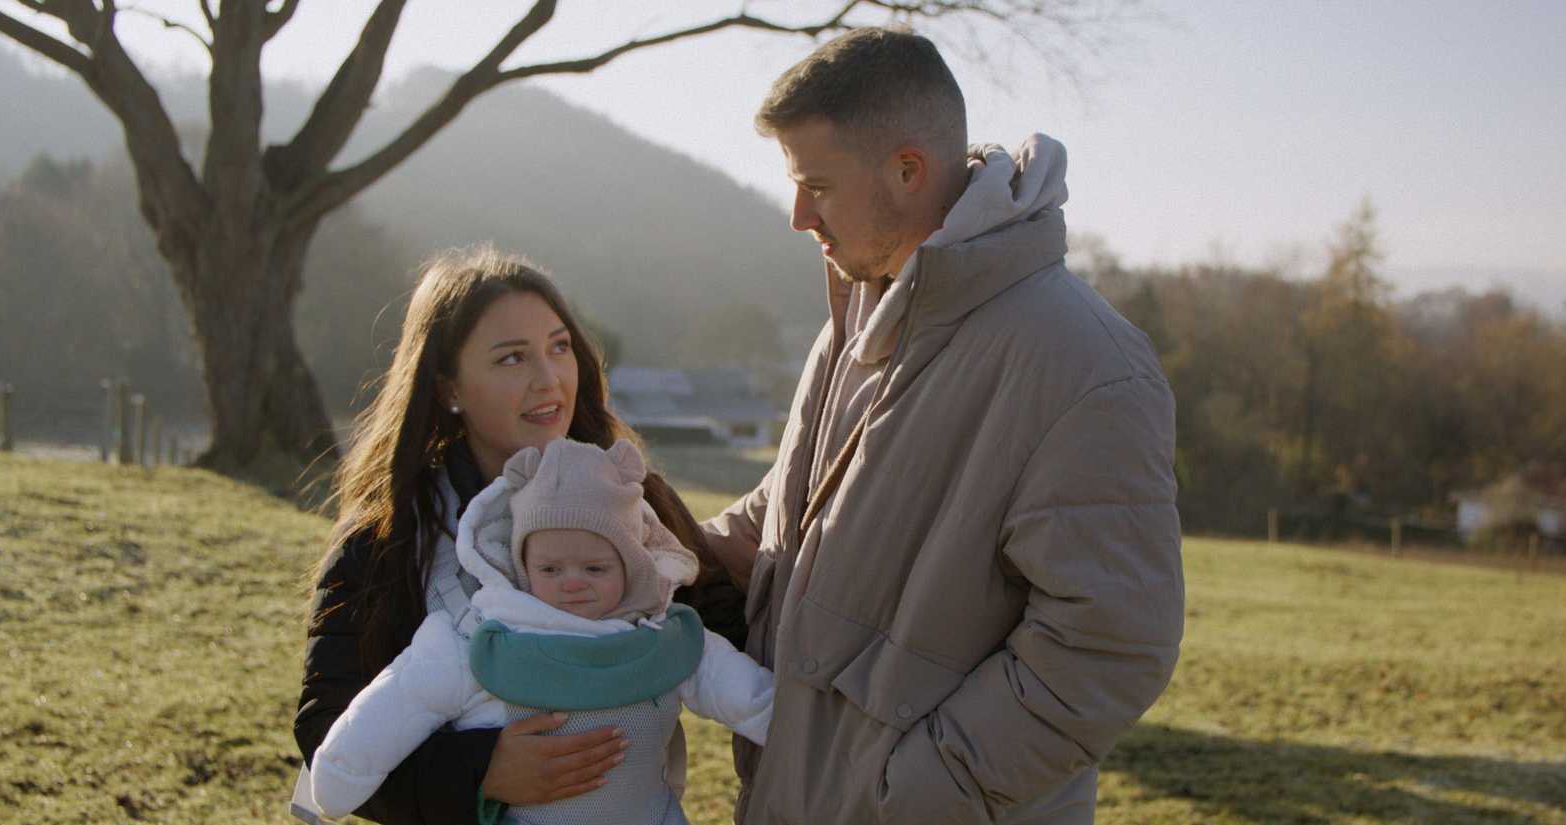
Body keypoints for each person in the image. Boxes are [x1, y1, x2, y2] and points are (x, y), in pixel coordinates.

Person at [696, 27, 1185, 825]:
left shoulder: (1083, 363)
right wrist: (641, 550)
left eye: (815, 183)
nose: (795, 215)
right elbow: (792, 513)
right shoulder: (858, 313)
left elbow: (1110, 643)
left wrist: (912, 792)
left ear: (908, 170)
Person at [293, 246, 744, 825]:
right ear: (448, 387)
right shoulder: (388, 538)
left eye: (559, 347)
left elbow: (726, 628)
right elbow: (326, 725)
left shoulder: (634, 503)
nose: (549, 378)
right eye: (512, 359)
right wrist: (483, 770)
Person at [306, 438, 774, 824]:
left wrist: (795, 724)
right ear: (521, 564)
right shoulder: (481, 640)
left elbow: (745, 695)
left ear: (632, 566)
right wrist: (342, 772)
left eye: (595, 567)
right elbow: (403, 699)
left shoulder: (664, 638)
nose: (572, 582)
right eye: (550, 567)